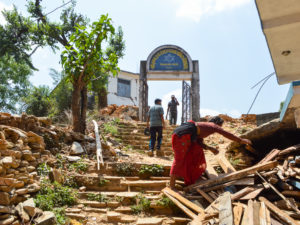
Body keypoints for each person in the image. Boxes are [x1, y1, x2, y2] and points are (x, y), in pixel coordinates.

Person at [170, 116, 252, 190]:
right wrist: (240, 140)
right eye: (221, 126)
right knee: (179, 159)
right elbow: (226, 134)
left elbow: (198, 143)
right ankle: (172, 186)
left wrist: (210, 148)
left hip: (181, 134)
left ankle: (189, 177)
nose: (220, 128)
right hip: (182, 136)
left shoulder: (202, 127)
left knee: (195, 152)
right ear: (218, 124)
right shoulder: (212, 125)